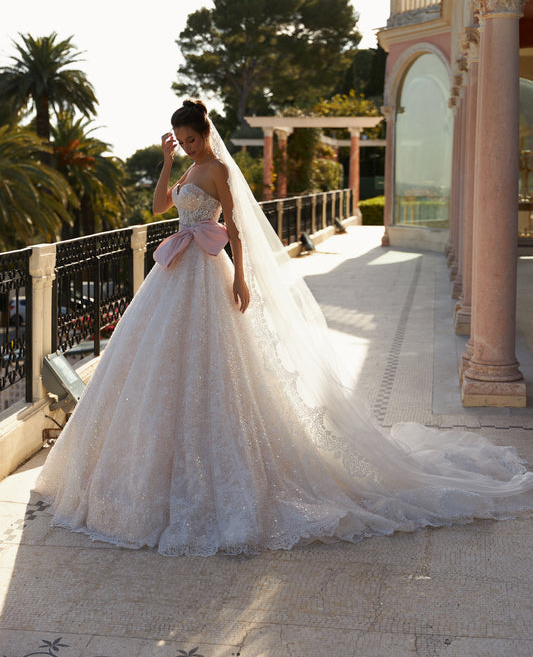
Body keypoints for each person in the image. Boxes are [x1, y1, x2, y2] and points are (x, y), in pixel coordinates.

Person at [35, 99, 533, 556]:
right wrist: (166, 163)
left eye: (190, 138)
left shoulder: (220, 171)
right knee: (160, 365)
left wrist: (244, 280)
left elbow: (234, 230)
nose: (186, 145)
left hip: (208, 274)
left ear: (205, 131)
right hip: (174, 274)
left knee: (220, 365)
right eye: (179, 140)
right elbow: (161, 208)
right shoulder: (187, 166)